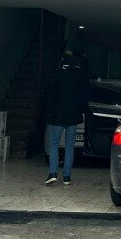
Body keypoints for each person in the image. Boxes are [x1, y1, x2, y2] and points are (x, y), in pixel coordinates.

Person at [44, 49, 90, 186]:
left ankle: (53, 173)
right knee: (70, 146)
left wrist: (50, 111)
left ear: (62, 59)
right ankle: (67, 177)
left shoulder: (56, 74)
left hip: (57, 115)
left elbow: (49, 94)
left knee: (54, 143)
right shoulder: (81, 74)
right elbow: (85, 94)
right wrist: (81, 110)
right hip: (73, 116)